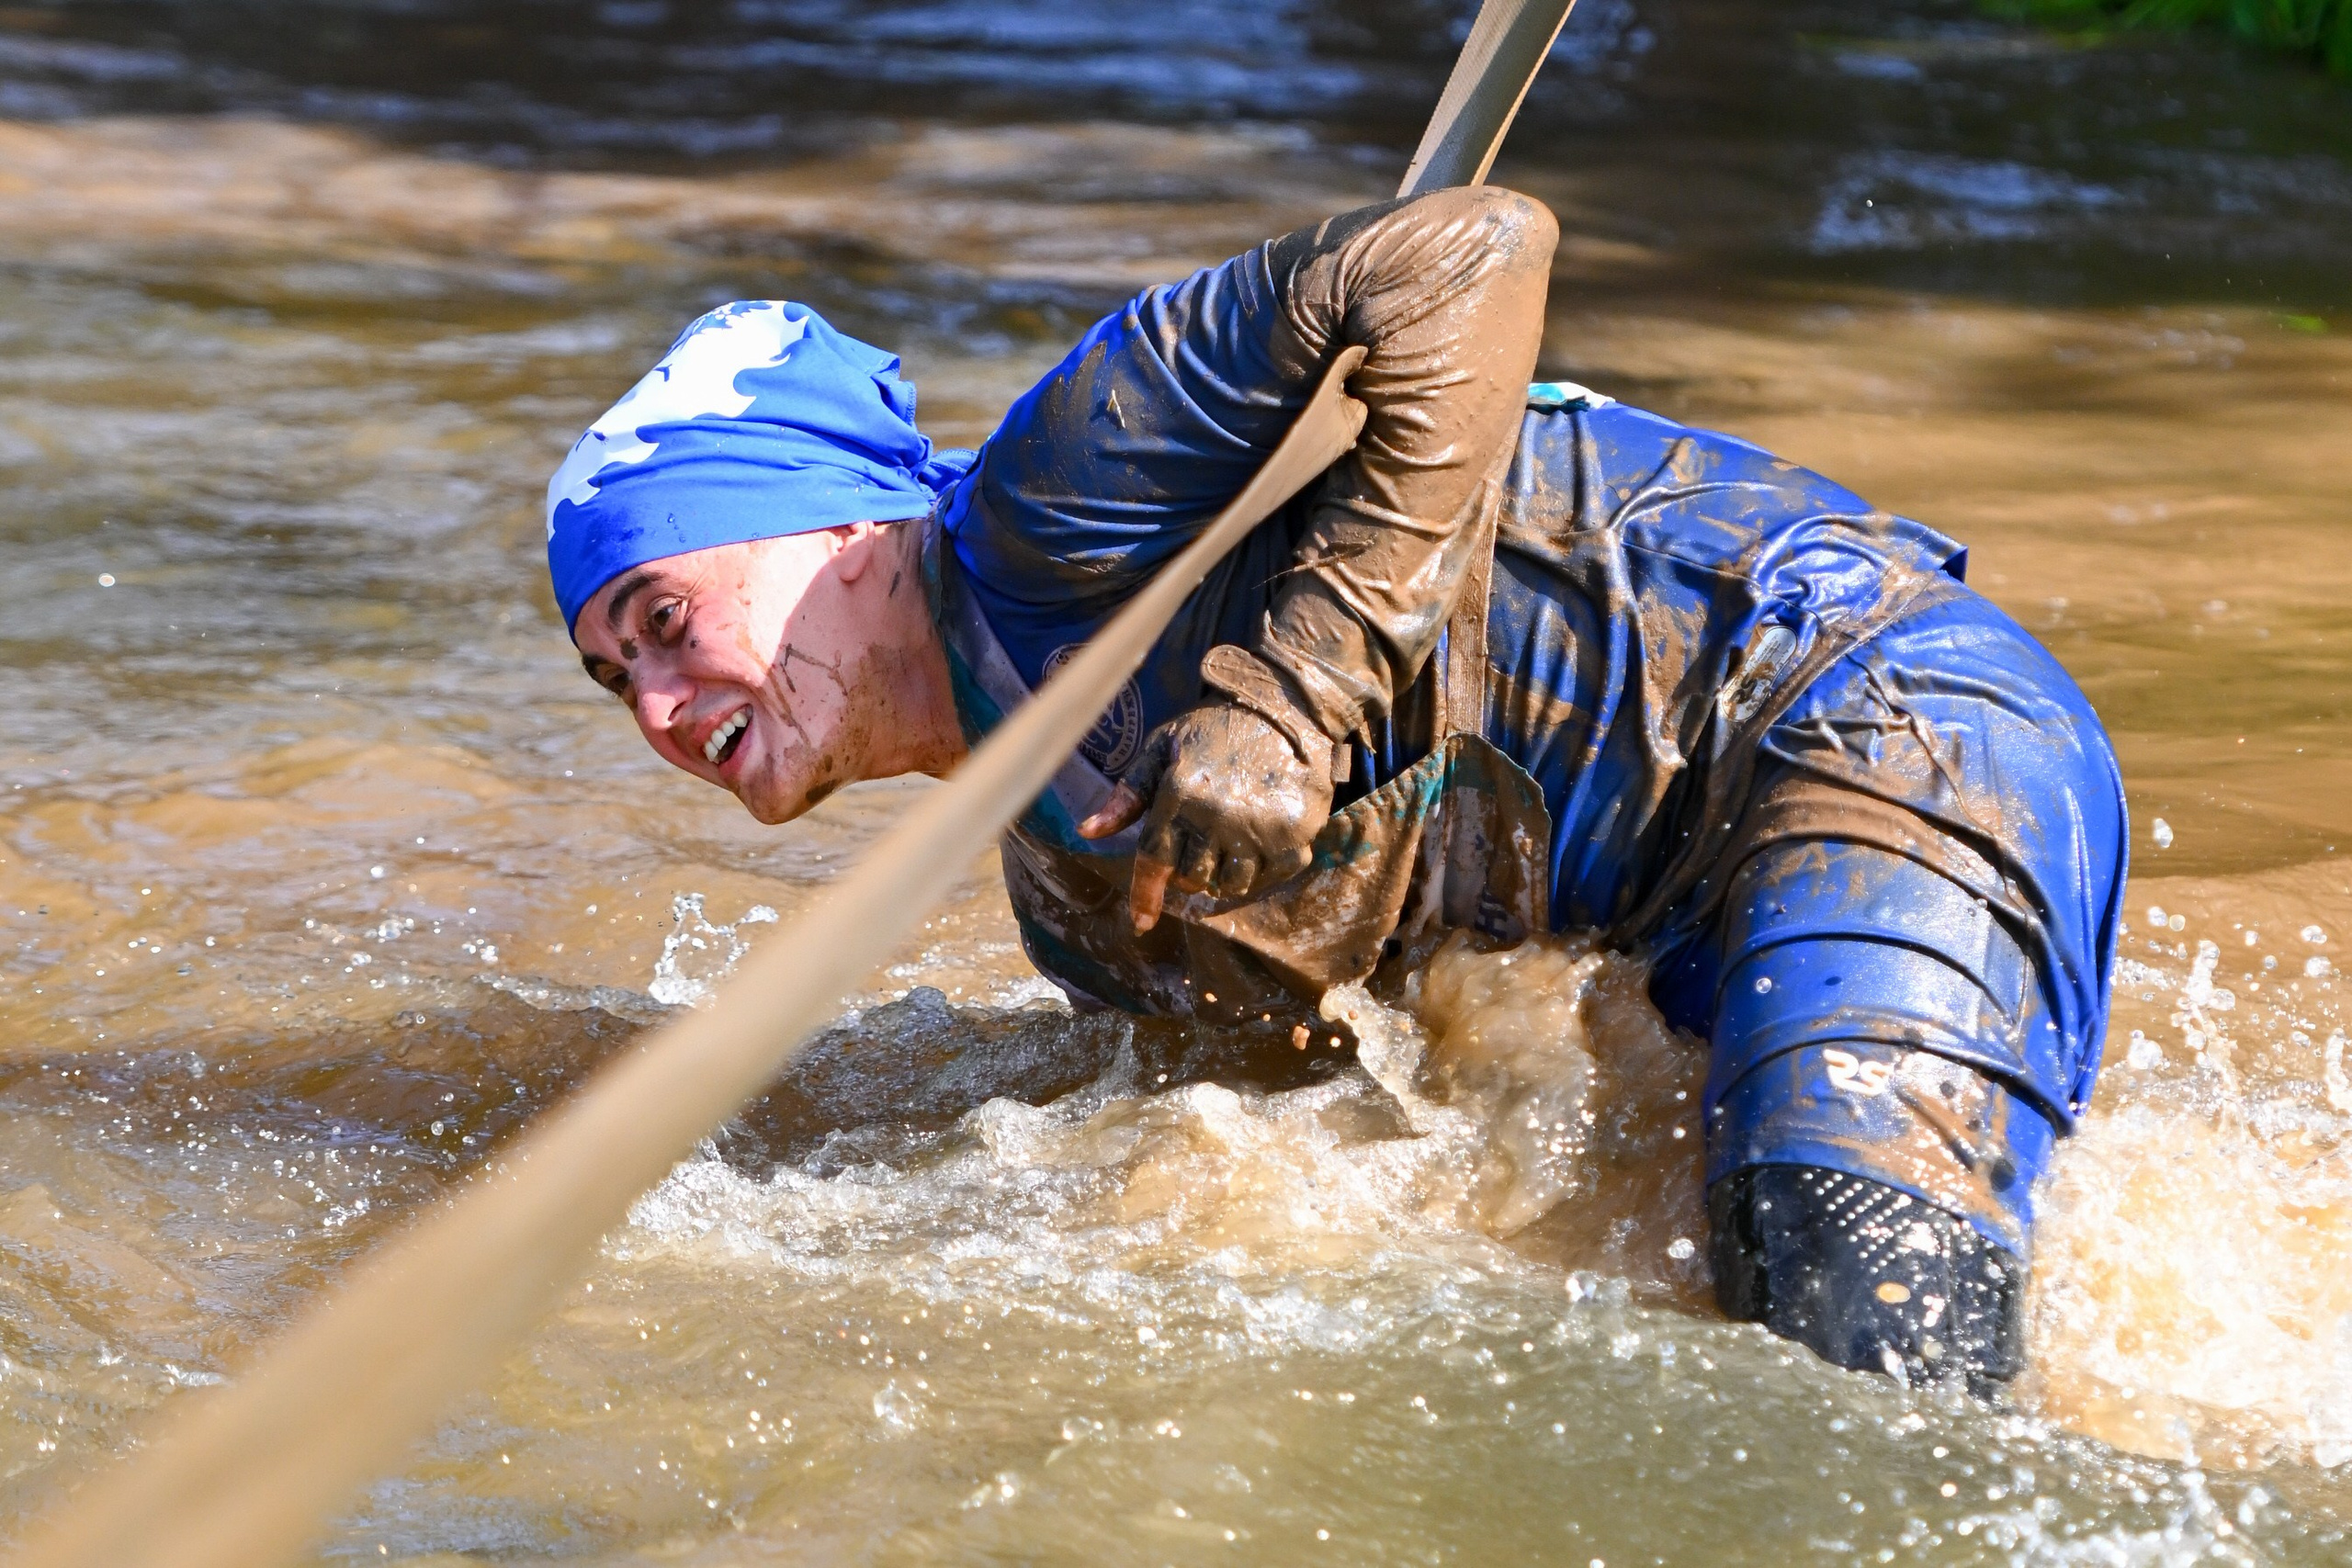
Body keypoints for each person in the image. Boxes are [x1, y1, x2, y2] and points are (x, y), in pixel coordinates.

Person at [547, 186, 2126, 1392]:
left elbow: (1472, 246)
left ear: (830, 529)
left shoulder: (1059, 501)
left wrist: (1291, 699)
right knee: (1714, 1351)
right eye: (618, 680)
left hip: (1869, 714)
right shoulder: (1074, 895)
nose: (662, 708)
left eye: (667, 624)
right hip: (1689, 903)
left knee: (1852, 1315)